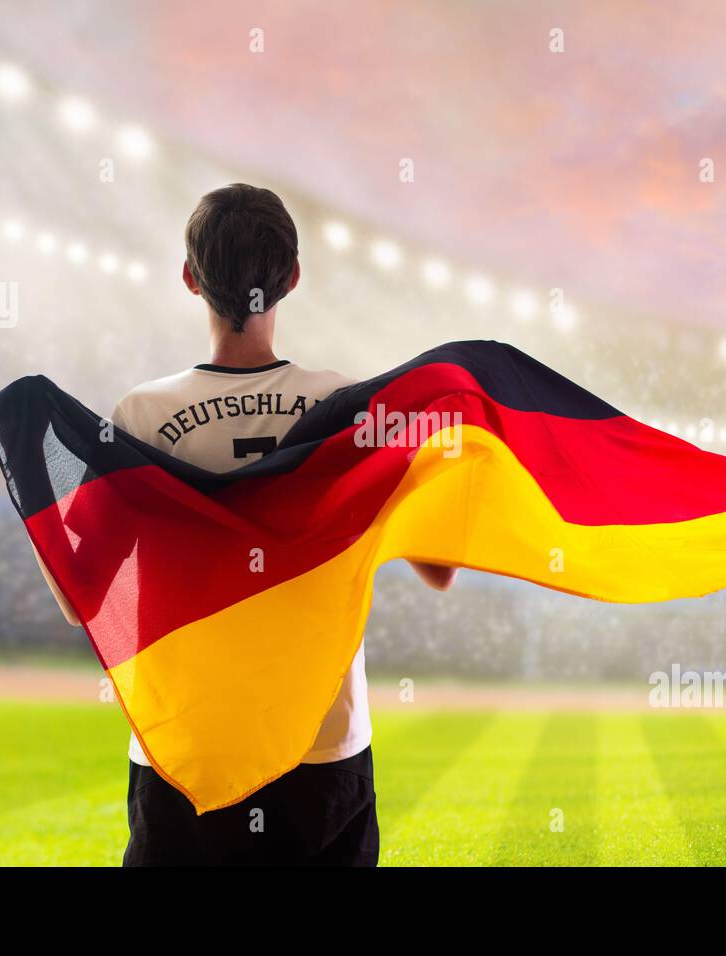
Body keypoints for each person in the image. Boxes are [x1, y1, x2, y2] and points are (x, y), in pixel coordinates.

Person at [33, 183, 456, 866]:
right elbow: (438, 570)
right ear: (291, 278)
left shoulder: (138, 418)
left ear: (189, 278)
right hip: (323, 750)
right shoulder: (346, 407)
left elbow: (78, 598)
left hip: (187, 753)